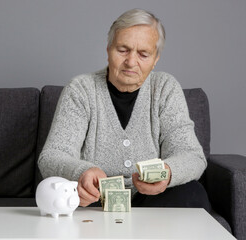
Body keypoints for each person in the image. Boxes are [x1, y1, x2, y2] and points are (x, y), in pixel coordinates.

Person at [38, 8, 211, 211]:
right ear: (108, 48)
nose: (131, 62)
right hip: (94, 199)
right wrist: (82, 172)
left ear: (155, 59)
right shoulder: (81, 89)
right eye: (123, 50)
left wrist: (167, 172)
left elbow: (192, 155)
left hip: (153, 199)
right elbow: (51, 156)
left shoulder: (165, 88)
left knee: (193, 193)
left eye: (143, 54)